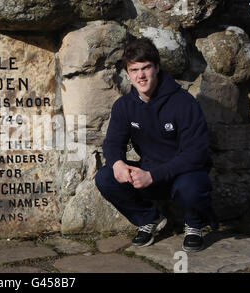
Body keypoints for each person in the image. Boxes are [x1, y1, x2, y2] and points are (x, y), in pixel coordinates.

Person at [95, 38, 218, 252]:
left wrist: (152, 175)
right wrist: (117, 164)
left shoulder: (183, 102)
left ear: (157, 68)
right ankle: (149, 219)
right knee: (105, 177)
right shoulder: (124, 106)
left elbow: (196, 154)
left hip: (185, 174)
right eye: (134, 70)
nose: (141, 76)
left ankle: (194, 224)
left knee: (192, 186)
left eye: (146, 68)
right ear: (128, 73)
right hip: (150, 173)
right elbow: (113, 143)